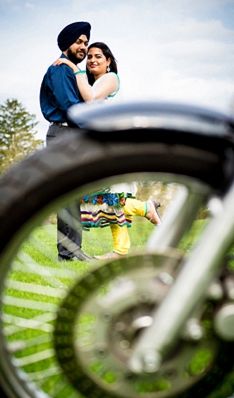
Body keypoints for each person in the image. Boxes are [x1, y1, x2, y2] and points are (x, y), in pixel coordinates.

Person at [54, 42, 161, 259]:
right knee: (108, 197)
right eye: (89, 57)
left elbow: (91, 97)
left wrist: (71, 65)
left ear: (108, 61)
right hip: (99, 145)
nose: (92, 60)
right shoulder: (93, 81)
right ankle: (122, 247)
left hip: (113, 145)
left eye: (98, 56)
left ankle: (144, 210)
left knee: (111, 198)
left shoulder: (111, 79)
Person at [40, 21, 92, 262]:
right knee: (66, 196)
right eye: (78, 41)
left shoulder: (71, 69)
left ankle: (73, 251)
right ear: (66, 44)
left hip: (72, 134)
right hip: (64, 134)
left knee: (73, 195)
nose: (83, 46)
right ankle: (68, 252)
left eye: (85, 42)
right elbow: (71, 107)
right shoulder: (60, 70)